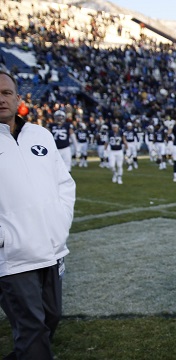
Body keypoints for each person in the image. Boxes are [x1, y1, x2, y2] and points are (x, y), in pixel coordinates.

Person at [0, 70, 76, 359]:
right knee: (32, 328)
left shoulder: (40, 134)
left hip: (51, 248)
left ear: (19, 99)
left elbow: (64, 184)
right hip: (13, 256)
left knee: (51, 318)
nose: (1, 99)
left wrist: (58, 224)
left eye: (7, 93)